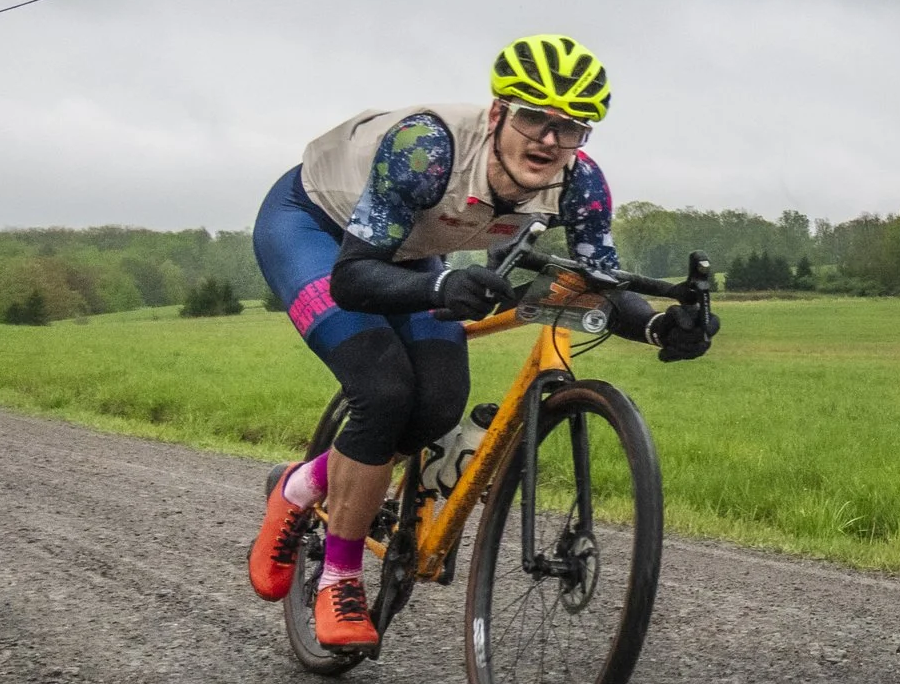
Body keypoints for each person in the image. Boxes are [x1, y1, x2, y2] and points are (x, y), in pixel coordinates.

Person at [245, 34, 717, 649]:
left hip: (409, 248)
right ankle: (338, 578)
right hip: (317, 230)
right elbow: (354, 277)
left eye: (571, 126)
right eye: (533, 117)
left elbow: (594, 283)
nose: (550, 139)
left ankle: (300, 486)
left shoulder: (580, 184)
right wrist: (443, 282)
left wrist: (659, 325)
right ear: (498, 113)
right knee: (384, 388)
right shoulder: (427, 148)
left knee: (439, 402)